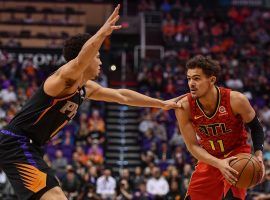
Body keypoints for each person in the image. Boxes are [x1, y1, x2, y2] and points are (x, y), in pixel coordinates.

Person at [0, 5, 180, 200]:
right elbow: (79, 62)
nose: (101, 62)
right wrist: (102, 33)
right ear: (86, 57)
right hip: (16, 142)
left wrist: (161, 103)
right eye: (97, 56)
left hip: (31, 146)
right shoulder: (60, 80)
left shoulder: (86, 88)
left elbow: (123, 96)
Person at [175, 55, 265, 200]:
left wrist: (259, 155)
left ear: (212, 80)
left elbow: (256, 127)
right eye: (189, 78)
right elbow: (192, 146)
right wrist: (218, 163)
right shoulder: (184, 107)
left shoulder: (235, 100)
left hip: (237, 154)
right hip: (210, 158)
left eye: (197, 78)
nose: (191, 83)